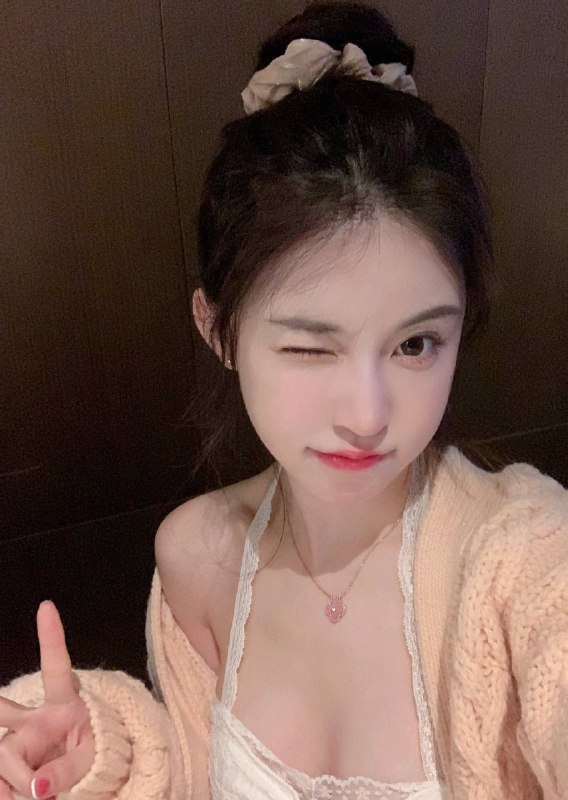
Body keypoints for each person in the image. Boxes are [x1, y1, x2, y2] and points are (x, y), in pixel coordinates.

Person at [1, 3, 566, 799]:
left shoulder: (524, 556)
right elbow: (194, 770)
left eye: (415, 344)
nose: (367, 416)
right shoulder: (195, 555)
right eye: (309, 347)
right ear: (218, 330)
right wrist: (101, 760)